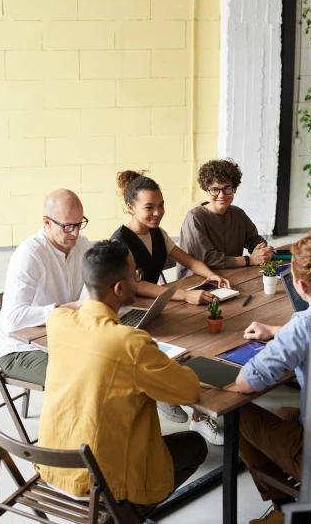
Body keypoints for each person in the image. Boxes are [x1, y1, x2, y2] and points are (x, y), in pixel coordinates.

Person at [37, 240, 208, 519]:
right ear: (119, 288)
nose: (137, 279)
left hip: (52, 466)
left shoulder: (58, 321)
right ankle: (123, 517)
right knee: (195, 446)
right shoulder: (130, 343)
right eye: (135, 275)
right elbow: (189, 391)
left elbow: (68, 312)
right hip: (97, 482)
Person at [111, 170, 229, 443]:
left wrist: (208, 274)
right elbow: (135, 285)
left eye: (161, 205)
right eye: (149, 207)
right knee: (185, 344)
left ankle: (188, 406)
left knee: (196, 340)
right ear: (131, 208)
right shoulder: (120, 241)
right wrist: (183, 295)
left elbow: (186, 259)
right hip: (127, 314)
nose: (157, 212)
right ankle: (170, 395)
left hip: (154, 307)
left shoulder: (158, 233)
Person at [235, 231, 311, 524]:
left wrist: (288, 334)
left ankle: (283, 506)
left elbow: (246, 382)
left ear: (301, 285)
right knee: (282, 413)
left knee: (238, 415)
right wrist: (276, 332)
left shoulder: (305, 325)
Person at [0, 189, 91, 386]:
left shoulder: (82, 245)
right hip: (21, 350)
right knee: (75, 381)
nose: (75, 233)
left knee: (112, 361)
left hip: (60, 337)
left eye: (79, 224)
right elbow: (12, 320)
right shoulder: (30, 254)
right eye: (66, 226)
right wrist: (73, 307)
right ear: (47, 222)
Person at [177, 159, 273, 278]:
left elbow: (253, 239)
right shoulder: (195, 218)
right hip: (198, 281)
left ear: (234, 189)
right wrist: (249, 260)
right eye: (215, 189)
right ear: (206, 190)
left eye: (227, 188)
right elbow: (208, 259)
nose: (221, 195)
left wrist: (261, 250)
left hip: (232, 274)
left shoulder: (238, 213)